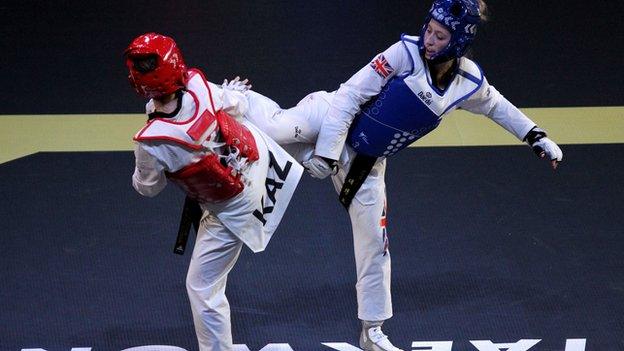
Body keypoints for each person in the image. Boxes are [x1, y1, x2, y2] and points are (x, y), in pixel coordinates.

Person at [244, 1, 563, 350]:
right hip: (329, 118)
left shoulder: (466, 81)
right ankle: (224, 99)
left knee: (375, 246)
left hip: (368, 162)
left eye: (440, 36)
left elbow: (495, 105)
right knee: (274, 128)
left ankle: (373, 331)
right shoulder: (403, 53)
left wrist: (535, 136)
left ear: (457, 42)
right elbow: (349, 96)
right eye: (429, 29)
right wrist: (327, 153)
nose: (429, 39)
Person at [124, 33, 303, 351]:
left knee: (202, 285)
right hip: (260, 157)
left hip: (232, 206)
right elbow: (238, 103)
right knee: (248, 109)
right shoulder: (199, 87)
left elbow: (148, 188)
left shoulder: (152, 141)